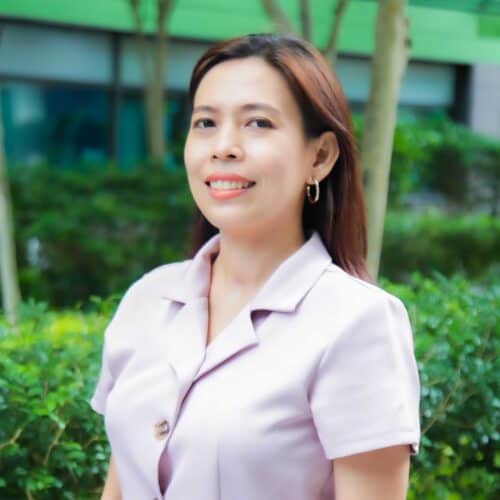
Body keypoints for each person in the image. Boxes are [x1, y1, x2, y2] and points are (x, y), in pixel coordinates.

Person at [89, 33, 421, 500]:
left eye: (258, 123)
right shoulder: (147, 300)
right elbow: (120, 484)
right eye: (205, 123)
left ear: (320, 156)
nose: (223, 146)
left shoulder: (358, 323)